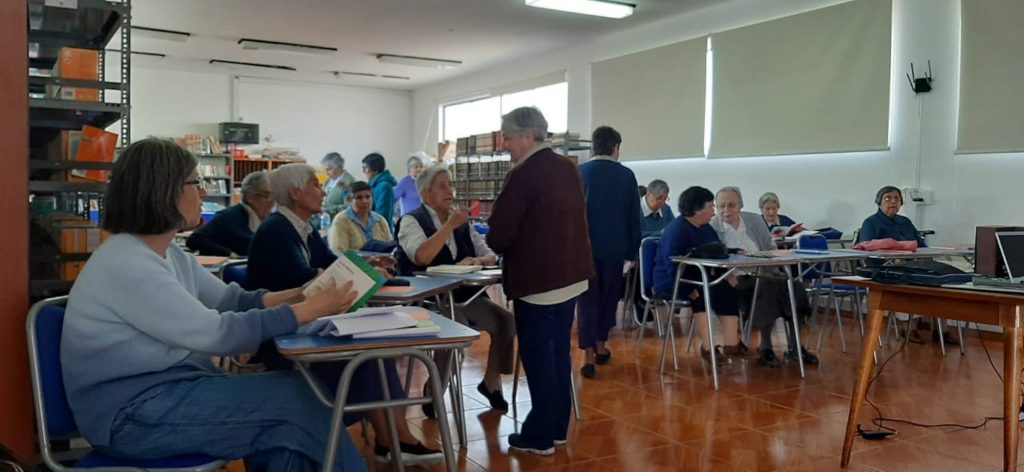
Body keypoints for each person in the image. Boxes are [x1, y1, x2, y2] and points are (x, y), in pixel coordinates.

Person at [61, 138, 367, 471]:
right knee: (295, 402)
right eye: (197, 183)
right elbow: (218, 334)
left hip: (170, 392)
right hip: (129, 414)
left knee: (288, 423)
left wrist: (302, 293)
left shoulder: (167, 253)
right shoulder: (128, 263)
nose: (204, 193)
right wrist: (308, 310)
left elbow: (232, 300)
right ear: (166, 190)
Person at [246, 163, 440, 465]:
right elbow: (305, 279)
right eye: (315, 184)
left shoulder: (301, 227)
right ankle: (394, 440)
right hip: (284, 336)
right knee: (371, 353)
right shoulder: (276, 231)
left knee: (376, 348)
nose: (323, 190)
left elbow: (329, 262)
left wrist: (363, 265)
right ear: (295, 193)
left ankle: (393, 439)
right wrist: (355, 273)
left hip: (306, 323)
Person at [487, 107, 594, 456]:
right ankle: (557, 426)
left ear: (529, 136)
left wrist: (498, 241)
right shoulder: (567, 168)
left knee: (538, 357)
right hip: (571, 275)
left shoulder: (523, 174)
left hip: (537, 281)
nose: (504, 144)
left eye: (508, 137)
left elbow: (500, 234)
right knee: (558, 353)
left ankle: (539, 434)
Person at [396, 166, 516, 417]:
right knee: (456, 323)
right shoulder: (411, 220)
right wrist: (448, 226)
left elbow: (490, 255)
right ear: (426, 194)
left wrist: (476, 261)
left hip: (465, 296)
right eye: (442, 186)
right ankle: (435, 389)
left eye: (450, 185)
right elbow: (421, 256)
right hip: (427, 301)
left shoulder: (460, 222)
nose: (449, 190)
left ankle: (491, 383)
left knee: (506, 321)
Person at [711, 186, 818, 367]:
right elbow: (712, 257)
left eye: (731, 205)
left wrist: (773, 256)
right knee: (767, 286)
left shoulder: (753, 220)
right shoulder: (713, 226)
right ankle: (766, 346)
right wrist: (727, 275)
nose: (726, 211)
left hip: (766, 272)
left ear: (740, 206)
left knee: (795, 286)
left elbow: (769, 246)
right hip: (734, 278)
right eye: (721, 206)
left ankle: (795, 346)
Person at [652, 186, 743, 365]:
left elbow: (716, 252)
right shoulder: (676, 230)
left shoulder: (706, 228)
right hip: (674, 281)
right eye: (710, 206)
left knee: (727, 289)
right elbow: (672, 265)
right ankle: (709, 348)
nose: (713, 211)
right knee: (701, 294)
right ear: (696, 209)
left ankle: (733, 345)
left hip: (701, 278)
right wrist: (688, 288)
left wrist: (727, 272)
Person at [577, 126, 641, 379]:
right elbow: (633, 216)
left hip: (583, 250)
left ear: (592, 147)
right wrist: (633, 250)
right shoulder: (626, 175)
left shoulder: (578, 173)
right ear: (616, 148)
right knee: (608, 299)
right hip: (615, 249)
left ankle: (587, 355)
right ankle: (601, 344)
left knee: (587, 301)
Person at [858, 186, 952, 345]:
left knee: (939, 281)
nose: (893, 202)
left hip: (911, 264)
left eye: (897, 198)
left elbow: (921, 246)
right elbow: (867, 248)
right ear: (879, 202)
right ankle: (908, 327)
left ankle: (941, 330)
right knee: (905, 281)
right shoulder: (871, 222)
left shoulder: (905, 221)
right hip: (883, 268)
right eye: (888, 198)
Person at [186, 171, 273, 256]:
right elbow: (195, 240)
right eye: (266, 195)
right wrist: (229, 254)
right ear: (250, 197)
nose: (272, 201)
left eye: (274, 195)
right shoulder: (229, 216)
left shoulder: (272, 219)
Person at [328, 181, 393, 253]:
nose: (364, 201)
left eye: (368, 197)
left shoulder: (380, 220)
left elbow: (390, 248)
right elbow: (339, 253)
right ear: (349, 201)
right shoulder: (341, 221)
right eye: (359, 198)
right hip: (352, 264)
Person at [362, 152, 397, 232]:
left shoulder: (384, 186)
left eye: (365, 168)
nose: (364, 171)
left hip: (381, 232)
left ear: (375, 169)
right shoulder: (373, 185)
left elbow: (382, 216)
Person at [322, 152, 356, 221]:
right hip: (328, 220)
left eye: (329, 169)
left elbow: (349, 206)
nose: (326, 173)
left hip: (342, 221)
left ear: (339, 167)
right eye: (325, 169)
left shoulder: (349, 182)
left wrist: (328, 210)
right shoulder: (328, 181)